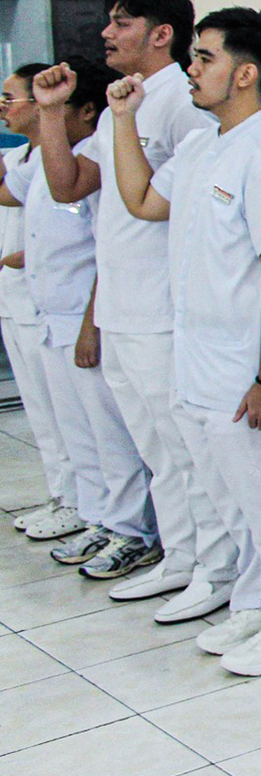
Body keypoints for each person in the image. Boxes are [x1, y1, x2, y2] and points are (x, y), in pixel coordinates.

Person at [106, 8, 261, 676]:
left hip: (251, 368)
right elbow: (143, 200)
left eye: (202, 57)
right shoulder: (204, 145)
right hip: (199, 359)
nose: (190, 68)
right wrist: (123, 120)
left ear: (245, 73)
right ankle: (259, 604)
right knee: (233, 499)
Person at [40, 0, 229, 602]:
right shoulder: (129, 98)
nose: (106, 34)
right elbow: (71, 186)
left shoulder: (182, 101)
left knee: (185, 448)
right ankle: (179, 554)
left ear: (161, 34)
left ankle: (215, 568)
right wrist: (49, 112)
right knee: (154, 446)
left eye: (121, 23)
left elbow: (164, 205)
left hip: (163, 305)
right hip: (122, 301)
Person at [4, 60, 151, 568]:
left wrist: (91, 325)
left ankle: (131, 529)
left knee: (111, 436)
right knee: (78, 432)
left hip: (82, 320)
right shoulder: (53, 160)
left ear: (87, 110)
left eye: (58, 107)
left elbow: (99, 251)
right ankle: (97, 518)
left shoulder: (95, 161)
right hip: (50, 316)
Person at [1, 63, 78, 541]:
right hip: (16, 299)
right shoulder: (20, 162)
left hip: (45, 301)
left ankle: (75, 500)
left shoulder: (61, 157)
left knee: (64, 412)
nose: (4, 108)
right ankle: (60, 494)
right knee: (40, 411)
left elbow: (69, 221)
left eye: (11, 98)